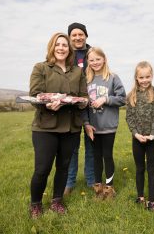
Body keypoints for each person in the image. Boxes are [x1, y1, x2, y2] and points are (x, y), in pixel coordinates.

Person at [28, 32, 88, 218]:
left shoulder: (77, 71)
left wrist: (82, 101)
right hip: (46, 128)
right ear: (52, 47)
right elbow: (35, 95)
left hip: (71, 128)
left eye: (65, 45)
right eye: (58, 44)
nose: (61, 48)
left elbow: (84, 97)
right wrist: (47, 104)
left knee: (64, 167)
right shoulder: (41, 68)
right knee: (42, 169)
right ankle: (36, 204)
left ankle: (57, 201)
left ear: (69, 49)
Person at [83, 47, 126, 199]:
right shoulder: (86, 80)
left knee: (107, 155)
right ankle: (98, 188)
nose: (95, 62)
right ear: (88, 61)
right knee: (95, 156)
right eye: (91, 60)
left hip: (108, 126)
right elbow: (83, 104)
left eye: (98, 59)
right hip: (93, 127)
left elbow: (122, 98)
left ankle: (109, 189)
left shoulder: (113, 78)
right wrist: (86, 123)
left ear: (104, 59)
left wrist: (105, 99)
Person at [125, 61, 154, 211]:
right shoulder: (131, 96)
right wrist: (136, 134)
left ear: (151, 76)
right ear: (136, 78)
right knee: (139, 168)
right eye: (141, 77)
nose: (145, 80)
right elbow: (129, 117)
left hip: (152, 140)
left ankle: (151, 201)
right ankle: (140, 197)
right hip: (137, 139)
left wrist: (153, 134)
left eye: (148, 76)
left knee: (151, 168)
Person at [65, 22, 95, 195]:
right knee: (72, 147)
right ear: (70, 37)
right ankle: (69, 183)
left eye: (80, 34)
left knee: (92, 145)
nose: (77, 37)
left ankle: (91, 180)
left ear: (86, 35)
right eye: (74, 35)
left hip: (92, 107)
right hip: (73, 108)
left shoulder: (94, 53)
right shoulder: (66, 55)